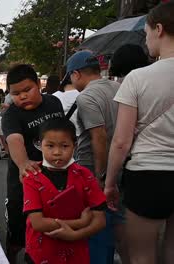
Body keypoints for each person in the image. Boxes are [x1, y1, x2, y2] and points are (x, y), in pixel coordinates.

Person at [104, 3, 174, 264]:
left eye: (146, 34)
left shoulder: (138, 78)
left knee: (142, 255)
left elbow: (121, 142)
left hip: (148, 175)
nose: (146, 41)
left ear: (159, 29)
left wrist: (110, 183)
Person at [1, 64, 64, 260]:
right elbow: (14, 140)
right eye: (16, 93)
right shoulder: (11, 114)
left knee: (48, 228)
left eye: (27, 90)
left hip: (54, 177)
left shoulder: (54, 103)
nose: (22, 96)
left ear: (39, 84)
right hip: (23, 180)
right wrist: (23, 164)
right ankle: (11, 253)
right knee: (18, 228)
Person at [23, 118, 106, 264]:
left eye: (64, 146)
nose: (57, 152)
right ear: (39, 145)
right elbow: (38, 223)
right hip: (41, 253)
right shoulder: (32, 178)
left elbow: (100, 220)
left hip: (76, 253)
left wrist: (75, 235)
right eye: (50, 146)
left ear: (75, 145)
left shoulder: (84, 175)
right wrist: (81, 222)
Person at [65, 50, 120, 264]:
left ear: (76, 74)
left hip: (93, 170)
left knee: (94, 227)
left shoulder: (87, 97)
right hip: (120, 166)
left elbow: (99, 136)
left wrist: (100, 176)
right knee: (110, 225)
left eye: (70, 77)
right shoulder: (119, 88)